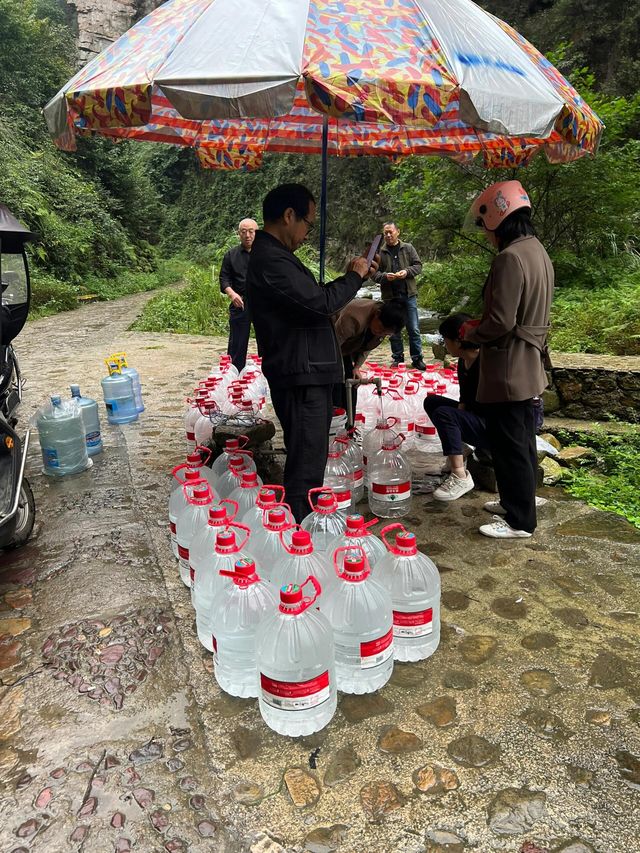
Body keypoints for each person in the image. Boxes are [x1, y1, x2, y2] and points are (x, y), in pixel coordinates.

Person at [246, 184, 376, 523]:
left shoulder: (277, 257)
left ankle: (299, 532)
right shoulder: (270, 259)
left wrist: (350, 279)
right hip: (300, 375)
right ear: (289, 216)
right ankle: (298, 542)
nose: (307, 233)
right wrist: (354, 277)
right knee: (306, 467)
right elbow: (320, 303)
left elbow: (312, 297)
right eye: (307, 222)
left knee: (309, 458)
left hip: (304, 369)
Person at [462, 180, 554, 539]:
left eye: (486, 227)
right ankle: (518, 500)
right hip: (529, 359)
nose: (486, 235)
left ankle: (520, 520)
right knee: (520, 439)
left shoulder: (509, 257)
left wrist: (472, 333)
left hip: (508, 365)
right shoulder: (537, 250)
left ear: (498, 219)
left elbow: (501, 321)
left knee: (510, 442)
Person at [424, 313, 488, 501]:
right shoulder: (463, 360)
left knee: (445, 414)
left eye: (446, 340)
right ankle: (460, 450)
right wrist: (459, 422)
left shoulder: (487, 363)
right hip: (476, 417)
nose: (444, 344)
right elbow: (465, 397)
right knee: (432, 402)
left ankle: (460, 475)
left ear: (458, 341)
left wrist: (457, 420)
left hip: (493, 425)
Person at [334, 298, 407, 408]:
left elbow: (367, 346)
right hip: (329, 344)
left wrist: (357, 367)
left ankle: (350, 422)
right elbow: (332, 346)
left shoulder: (380, 325)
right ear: (377, 314)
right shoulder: (353, 318)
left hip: (347, 348)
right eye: (381, 329)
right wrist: (339, 371)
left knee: (352, 381)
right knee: (336, 386)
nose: (380, 333)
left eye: (385, 334)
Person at [372, 222, 425, 370]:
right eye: (385, 233)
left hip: (408, 294)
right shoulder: (380, 253)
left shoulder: (408, 248)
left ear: (398, 232)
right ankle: (397, 358)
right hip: (390, 297)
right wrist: (384, 276)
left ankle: (417, 359)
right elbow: (373, 273)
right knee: (393, 329)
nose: (388, 235)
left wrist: (407, 272)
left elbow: (418, 266)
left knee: (413, 328)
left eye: (390, 232)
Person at [219, 217, 258, 371]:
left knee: (269, 340)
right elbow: (224, 278)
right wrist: (232, 294)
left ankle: (268, 376)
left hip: (262, 303)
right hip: (240, 301)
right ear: (239, 234)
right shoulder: (231, 255)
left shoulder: (265, 255)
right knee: (237, 343)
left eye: (251, 231)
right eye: (244, 232)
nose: (247, 235)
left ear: (257, 233)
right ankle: (234, 373)